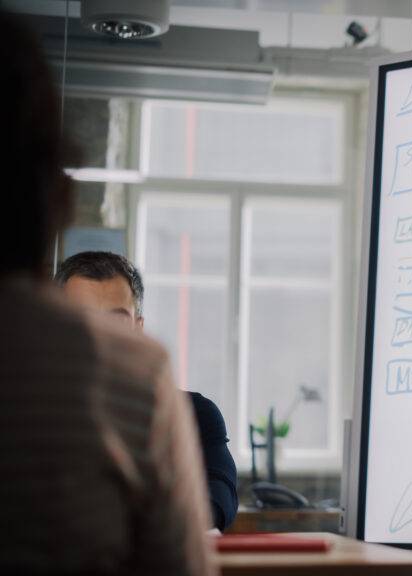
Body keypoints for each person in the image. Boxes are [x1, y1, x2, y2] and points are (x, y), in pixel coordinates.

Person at [0, 9, 215, 575]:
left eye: (113, 321)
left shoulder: (175, 400)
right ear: (55, 196)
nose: (96, 335)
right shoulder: (131, 376)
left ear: (139, 321)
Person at [56, 251, 240, 532]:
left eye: (117, 321)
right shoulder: (31, 414)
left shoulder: (193, 413)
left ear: (138, 329)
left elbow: (218, 497)